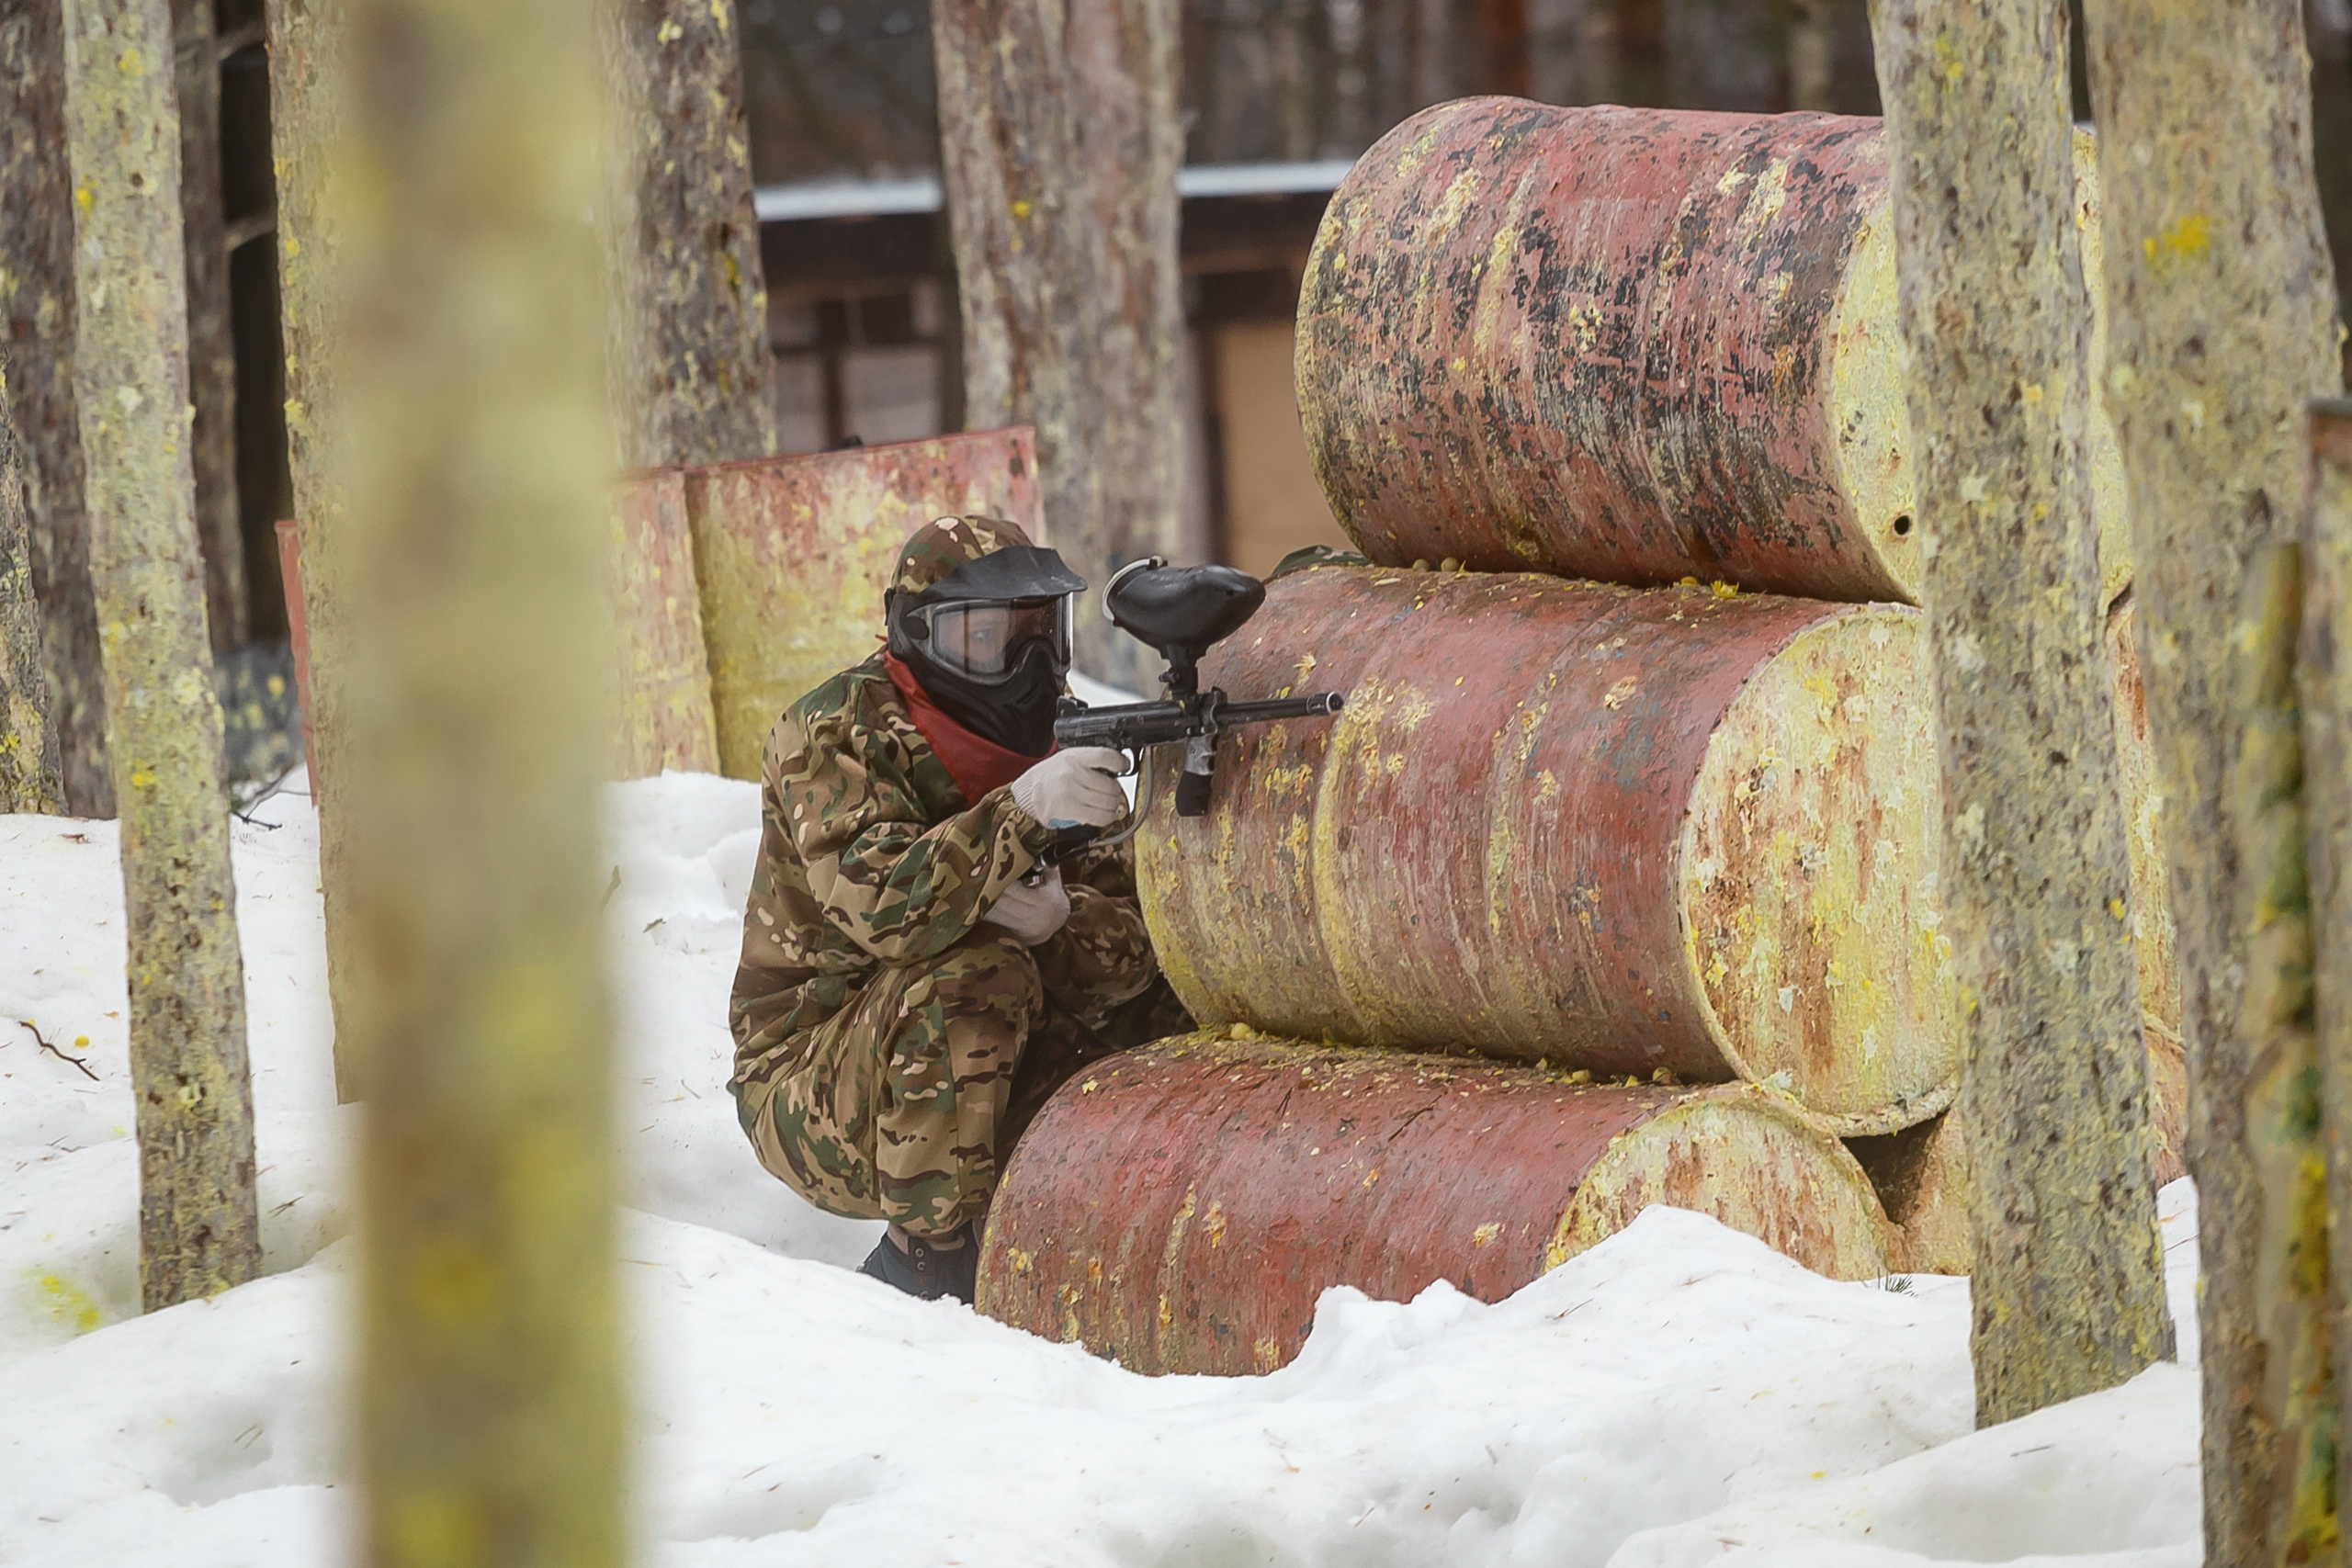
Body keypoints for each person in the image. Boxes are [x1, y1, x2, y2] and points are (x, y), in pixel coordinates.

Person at [728, 514, 1170, 1304]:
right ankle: (926, 1261)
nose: (1027, 666)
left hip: (990, 1047)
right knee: (976, 973)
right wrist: (1021, 812)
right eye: (988, 639)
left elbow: (1141, 945)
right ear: (916, 637)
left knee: (1166, 1014)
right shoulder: (832, 735)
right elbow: (888, 911)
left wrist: (1058, 929)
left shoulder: (1057, 730)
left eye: (1041, 634)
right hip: (815, 1079)